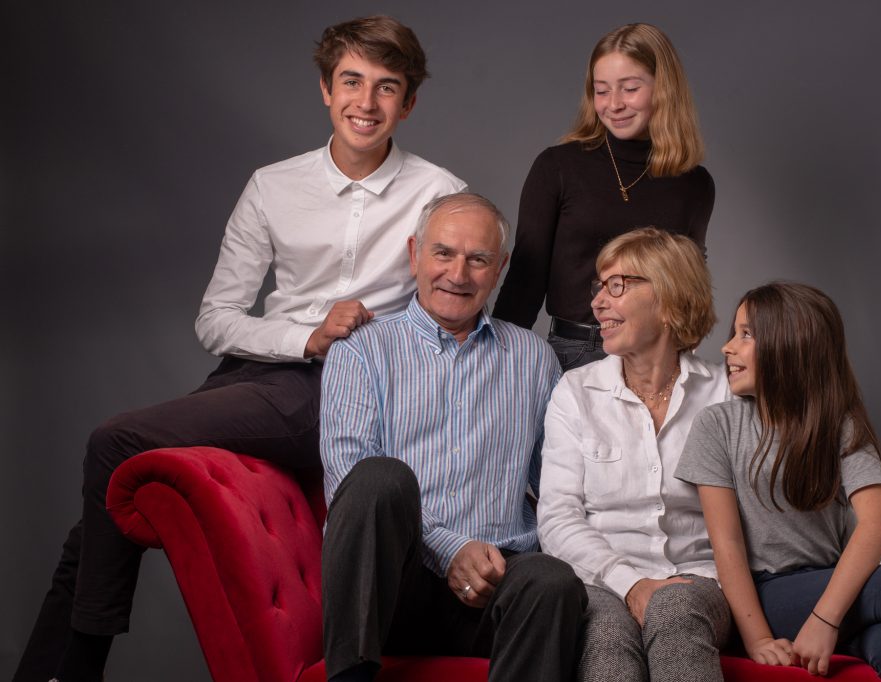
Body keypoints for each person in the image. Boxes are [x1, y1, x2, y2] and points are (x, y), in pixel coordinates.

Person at [15, 16, 466, 682]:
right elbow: (217, 318)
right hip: (253, 378)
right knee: (103, 508)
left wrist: (366, 345)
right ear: (323, 88)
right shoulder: (272, 185)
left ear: (409, 102)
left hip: (341, 389)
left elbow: (453, 315)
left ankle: (79, 668)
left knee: (112, 443)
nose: (365, 104)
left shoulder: (439, 193)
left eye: (386, 87)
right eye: (351, 82)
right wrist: (303, 335)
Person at [319, 192, 587, 682]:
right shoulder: (361, 349)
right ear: (414, 253)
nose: (458, 275)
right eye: (443, 253)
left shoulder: (533, 358)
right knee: (378, 477)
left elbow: (558, 486)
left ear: (501, 266)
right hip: (392, 588)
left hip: (497, 584)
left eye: (478, 260)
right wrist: (450, 549)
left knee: (551, 580)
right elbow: (347, 490)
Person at [676, 282, 881, 681]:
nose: (727, 347)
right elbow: (727, 545)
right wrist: (758, 639)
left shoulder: (839, 425)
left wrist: (825, 619)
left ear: (789, 346)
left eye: (746, 334)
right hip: (769, 592)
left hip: (834, 585)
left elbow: (878, 522)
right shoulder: (717, 426)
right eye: (733, 333)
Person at [537, 227, 733, 682]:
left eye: (618, 286)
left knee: (675, 608)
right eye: (599, 287)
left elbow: (766, 507)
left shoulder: (724, 393)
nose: (598, 302)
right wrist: (631, 583)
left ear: (668, 297)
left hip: (701, 581)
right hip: (600, 580)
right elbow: (557, 518)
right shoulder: (576, 391)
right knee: (604, 633)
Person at [493, 23, 713, 371]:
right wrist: (496, 361)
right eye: (601, 90)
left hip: (659, 356)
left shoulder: (695, 183)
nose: (614, 104)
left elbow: (688, 286)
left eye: (630, 89)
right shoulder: (558, 166)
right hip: (573, 352)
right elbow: (525, 277)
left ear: (664, 89)